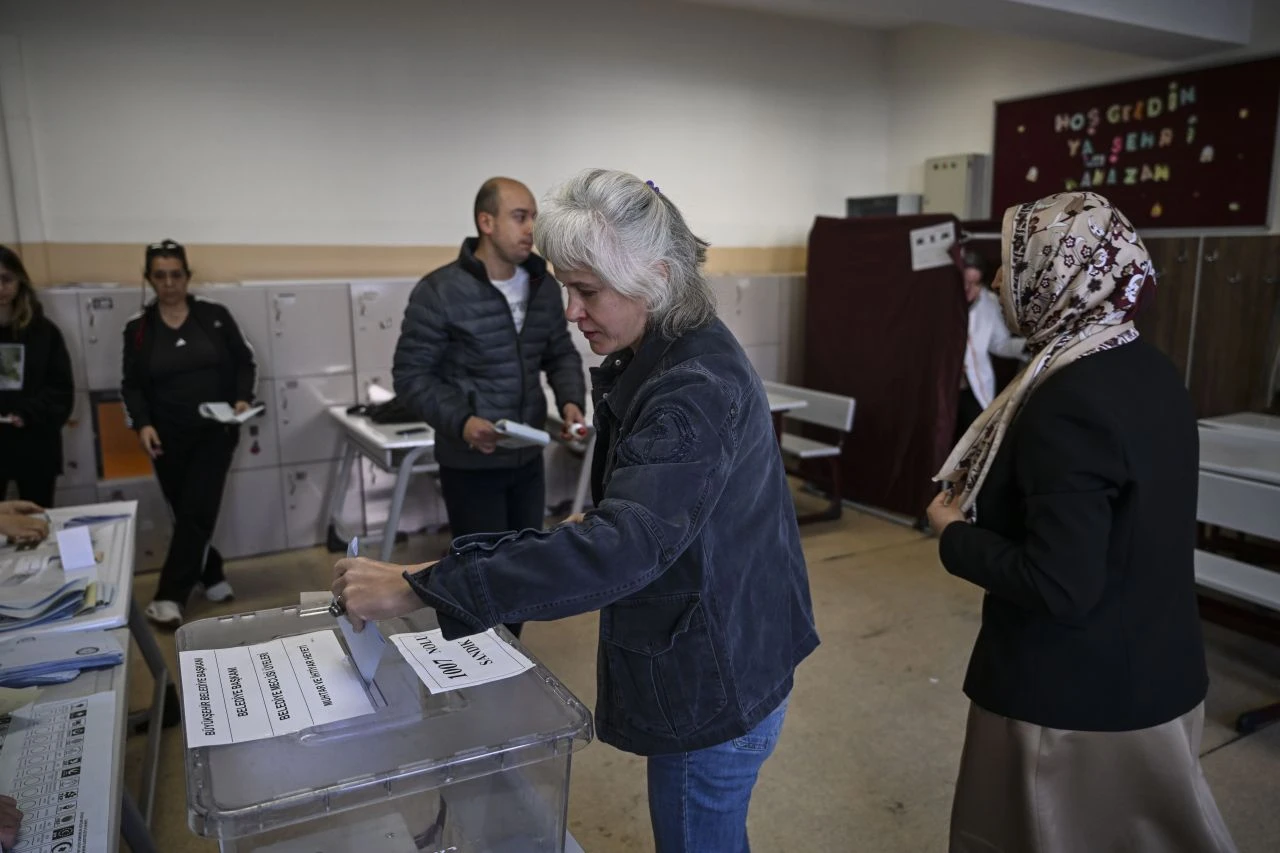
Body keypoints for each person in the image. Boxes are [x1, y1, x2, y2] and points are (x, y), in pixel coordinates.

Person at [339, 169, 818, 852]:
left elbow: (620, 549)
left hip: (719, 673)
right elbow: (650, 517)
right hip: (737, 644)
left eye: (587, 290)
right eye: (566, 288)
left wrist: (420, 585)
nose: (570, 311)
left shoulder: (690, 386)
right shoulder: (675, 345)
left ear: (655, 276)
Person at [928, 191, 1237, 853]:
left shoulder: (1067, 399)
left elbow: (1059, 584)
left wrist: (954, 533)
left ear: (1059, 272)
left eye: (1015, 263)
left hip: (1077, 706)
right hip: (1160, 670)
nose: (1002, 281)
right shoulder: (1147, 367)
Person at [392, 177, 587, 638]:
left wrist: (571, 401)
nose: (531, 228)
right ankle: (478, 664)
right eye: (520, 217)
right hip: (471, 463)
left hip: (526, 458)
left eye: (534, 217)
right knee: (479, 579)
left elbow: (559, 352)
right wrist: (463, 423)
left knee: (522, 576)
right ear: (486, 222)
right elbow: (411, 376)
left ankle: (509, 656)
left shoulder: (542, 284)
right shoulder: (440, 291)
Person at [122, 240, 257, 628]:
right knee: (186, 512)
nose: (169, 283)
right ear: (149, 279)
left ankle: (169, 596)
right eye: (160, 276)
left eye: (176, 275)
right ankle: (210, 572)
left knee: (197, 508)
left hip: (215, 431)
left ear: (187, 276)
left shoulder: (214, 317)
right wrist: (143, 423)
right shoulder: (139, 329)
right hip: (166, 436)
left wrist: (242, 398)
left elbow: (244, 362)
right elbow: (132, 384)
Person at [0, 245, 74, 507]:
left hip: (35, 445)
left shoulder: (43, 332)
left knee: (36, 518)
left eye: (6, 279)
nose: (0, 288)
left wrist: (27, 413)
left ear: (20, 281)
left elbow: (61, 391)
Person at [954, 252, 1027, 444]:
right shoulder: (939, 304)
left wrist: (1027, 346)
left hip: (975, 387)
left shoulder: (989, 302)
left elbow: (999, 344)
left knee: (974, 438)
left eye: (975, 283)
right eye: (964, 282)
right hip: (944, 389)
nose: (969, 289)